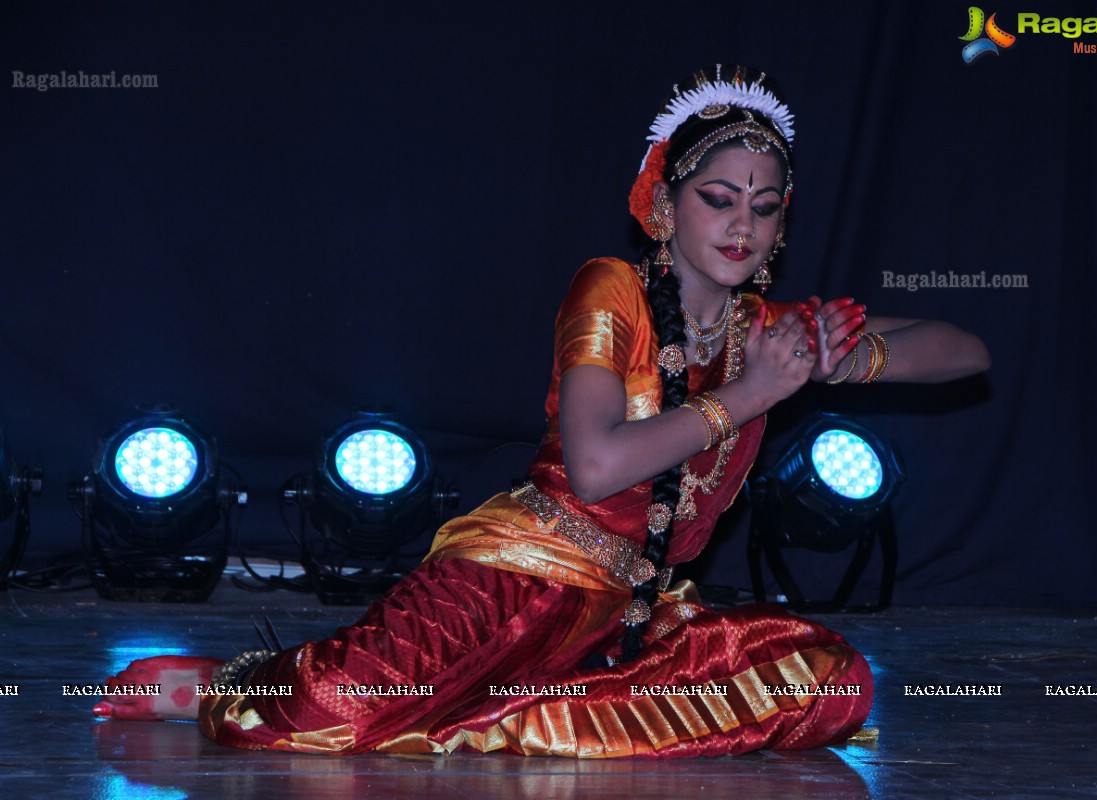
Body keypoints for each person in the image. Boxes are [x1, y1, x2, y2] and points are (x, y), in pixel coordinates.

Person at [94, 66, 990, 757]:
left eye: (762, 208)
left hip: (629, 617)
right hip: (517, 575)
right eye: (717, 199)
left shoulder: (763, 333)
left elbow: (964, 352)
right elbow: (598, 465)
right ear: (665, 202)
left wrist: (843, 352)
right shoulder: (612, 291)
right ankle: (222, 680)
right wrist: (754, 393)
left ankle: (482, 718)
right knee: (324, 720)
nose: (740, 225)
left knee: (831, 688)